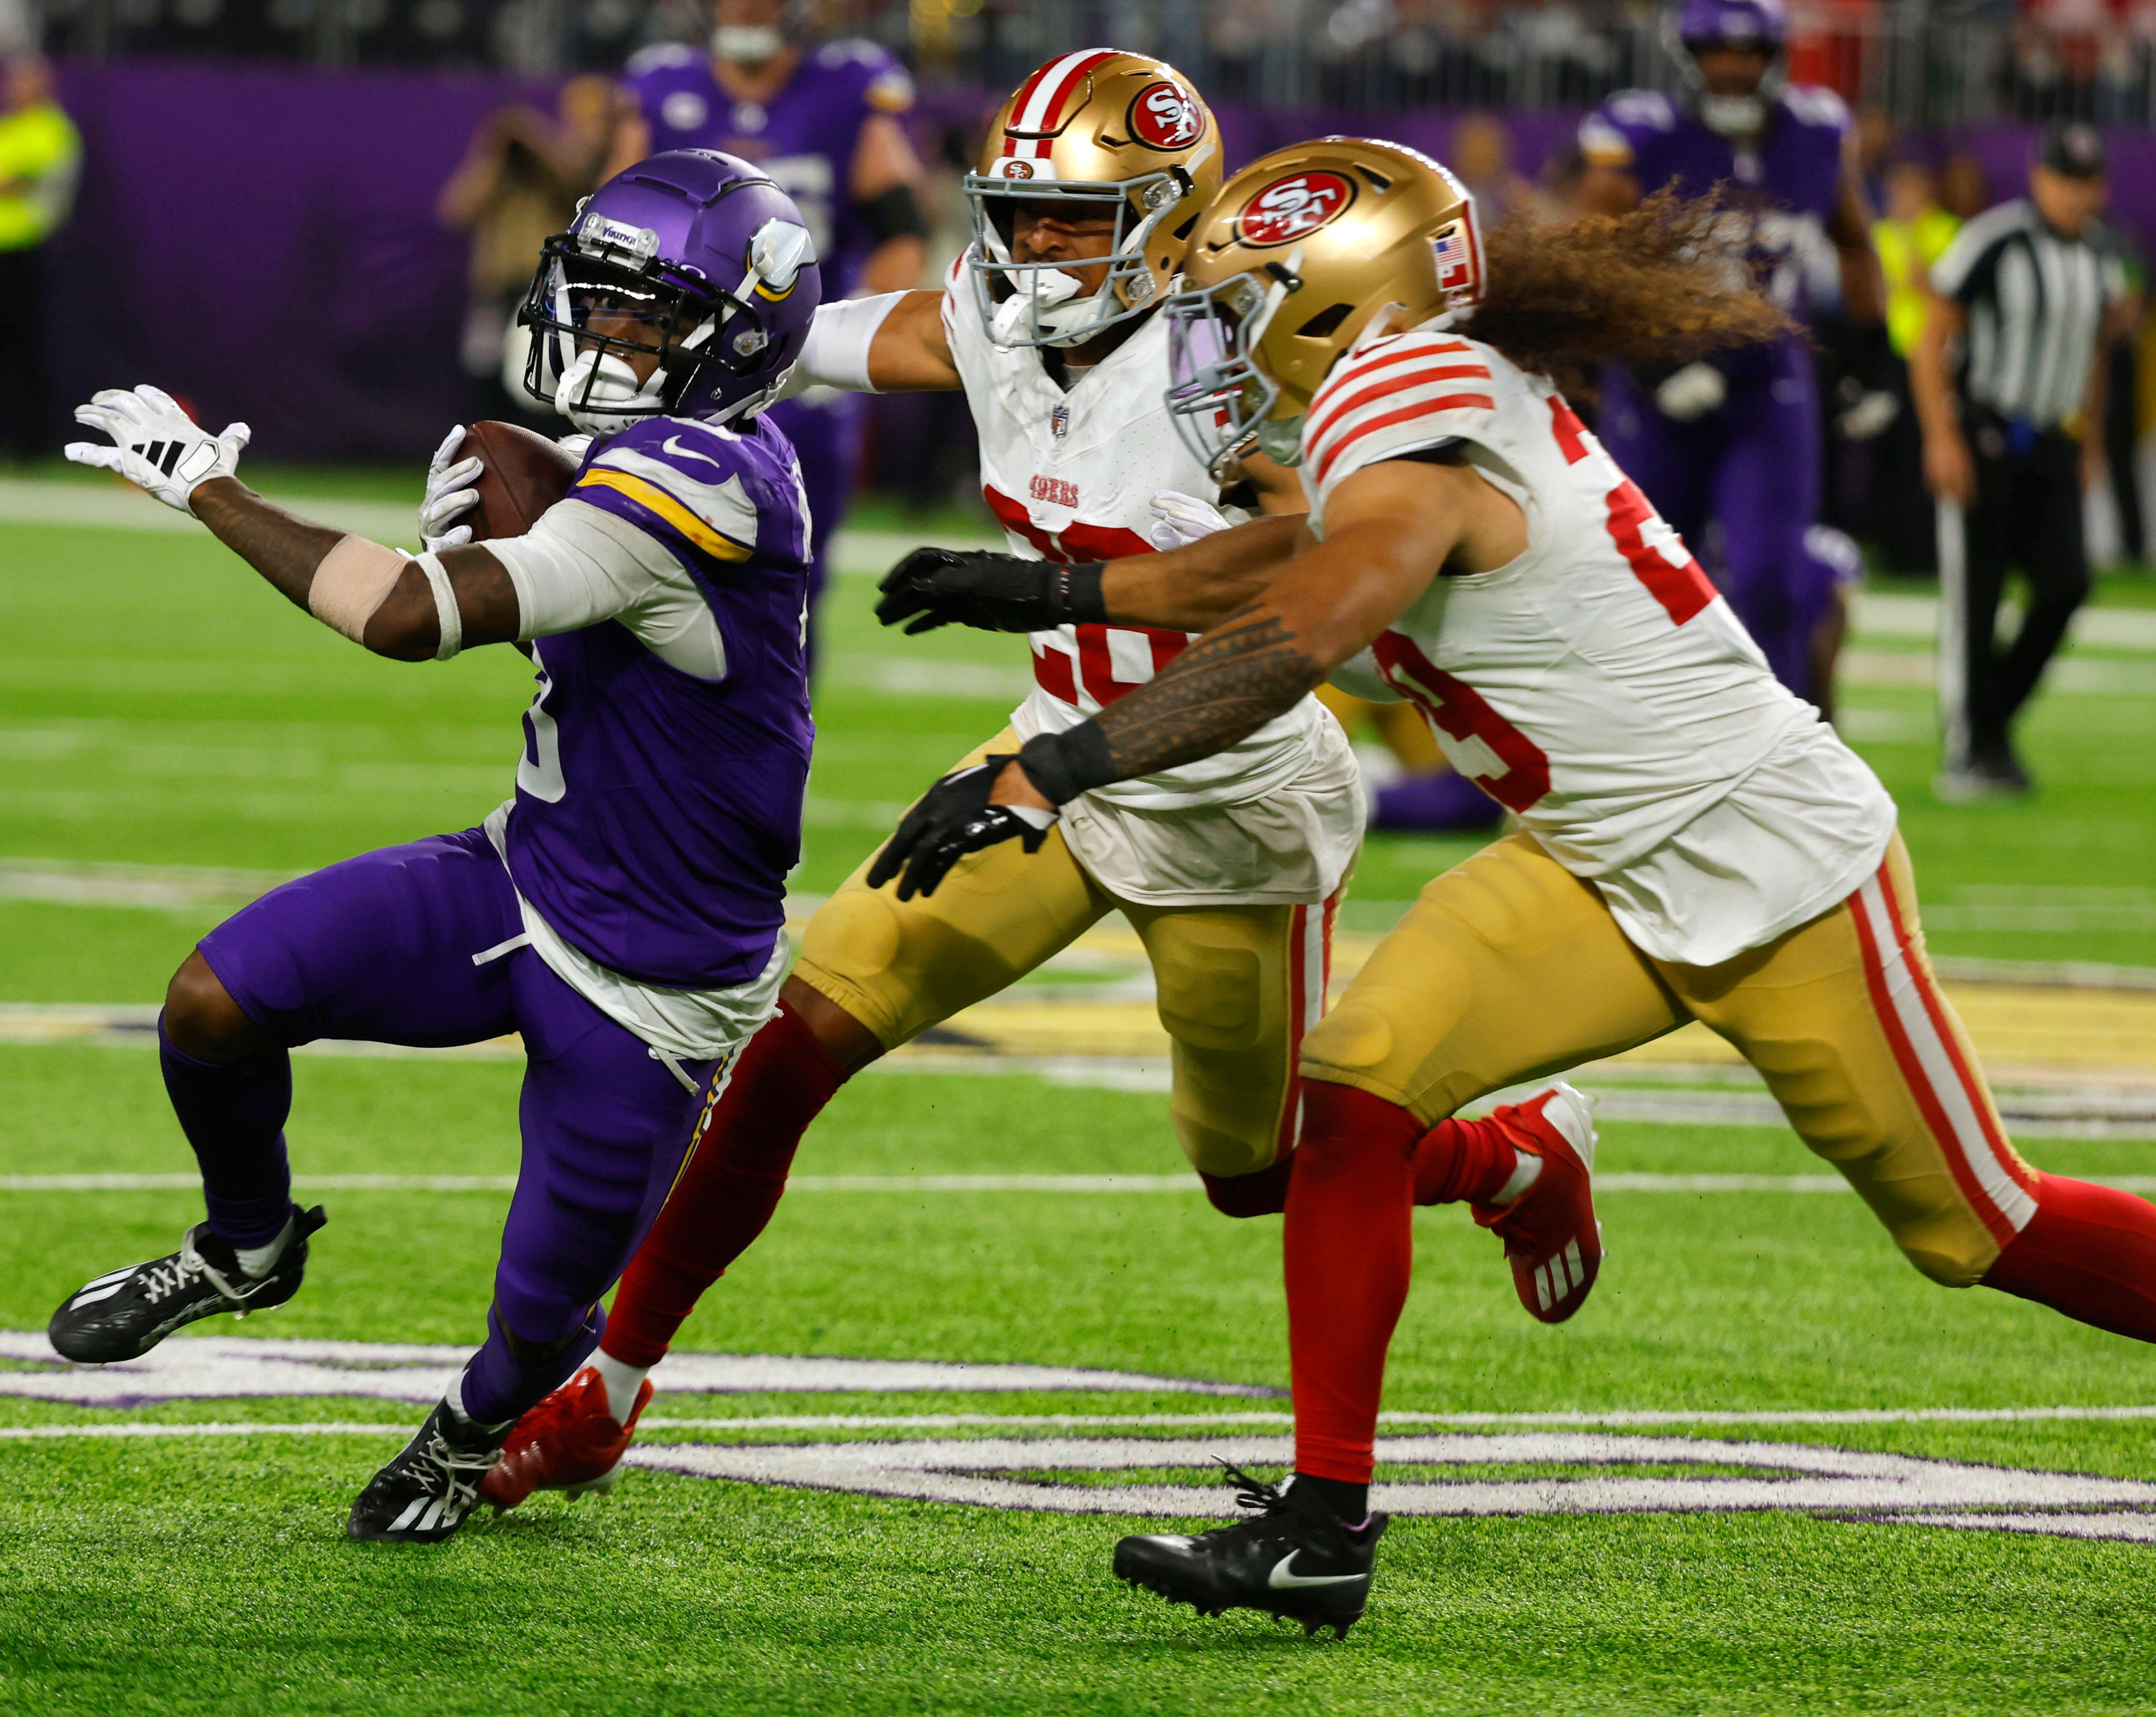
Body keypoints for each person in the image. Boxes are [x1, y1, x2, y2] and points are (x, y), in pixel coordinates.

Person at [868, 137, 2156, 1637]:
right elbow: (1296, 558)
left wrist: (1050, 767)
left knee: (1969, 1222)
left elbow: (1305, 619)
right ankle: (1320, 1524)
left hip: (1762, 856)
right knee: (1350, 1093)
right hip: (1590, 860)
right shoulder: (1401, 388)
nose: (1209, 328)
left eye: (1240, 296)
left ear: (1329, 302)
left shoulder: (1402, 414)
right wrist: (1059, 589)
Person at [473, 54, 1585, 1510]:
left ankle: (1511, 1159)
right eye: (1020, 214)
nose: (1037, 251)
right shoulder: (994, 318)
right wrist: (655, 350)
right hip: (1049, 755)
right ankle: (609, 1387)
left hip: (1227, 797)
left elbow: (1325, 579)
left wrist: (1077, 581)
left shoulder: (1251, 365)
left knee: (1252, 1170)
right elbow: (817, 337)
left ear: (1180, 220)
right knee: (796, 1043)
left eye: (1079, 221)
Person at [43, 152, 823, 1544]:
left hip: (654, 984)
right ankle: (246, 1242)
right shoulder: (658, 463)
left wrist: (210, 491)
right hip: (522, 872)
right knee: (212, 1002)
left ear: (736, 331)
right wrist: (513, 549)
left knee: (539, 1313)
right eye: (600, 300)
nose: (603, 334)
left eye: (645, 316)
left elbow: (404, 618)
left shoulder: (704, 480)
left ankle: (466, 1433)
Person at [1577, 0, 1884, 711]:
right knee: (1644, 579)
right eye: (1718, 50)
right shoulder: (1643, 136)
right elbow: (1586, 266)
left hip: (1765, 376)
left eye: (1749, 52)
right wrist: (1654, 363)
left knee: (1770, 574)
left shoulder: (1815, 132)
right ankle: (1642, 738)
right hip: (1656, 385)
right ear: (1689, 55)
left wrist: (1873, 357)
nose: (1734, 67)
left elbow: (1855, 241)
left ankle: (1783, 748)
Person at [612, 0, 931, 632]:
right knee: (645, 562)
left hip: (798, 368)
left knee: (787, 585)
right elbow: (613, 229)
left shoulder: (847, 85)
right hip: (678, 365)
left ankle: (771, 728)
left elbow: (904, 233)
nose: (746, 7)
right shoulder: (661, 85)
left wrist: (838, 341)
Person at [1910, 120, 2134, 799]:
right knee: (1976, 596)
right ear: (2040, 178)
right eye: (2066, 179)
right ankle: (1969, 750)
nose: (2076, 194)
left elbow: (2094, 353)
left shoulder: (2100, 256)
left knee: (2066, 583)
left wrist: (2090, 441)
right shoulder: (1997, 238)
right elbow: (1932, 337)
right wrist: (1941, 437)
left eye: (2087, 182)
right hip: (1985, 431)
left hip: (2053, 442)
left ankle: (1991, 720)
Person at [438, 74, 614, 427]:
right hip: (496, 290)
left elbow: (577, 185)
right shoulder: (501, 171)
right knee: (484, 378)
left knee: (534, 384)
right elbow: (455, 211)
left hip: (541, 289)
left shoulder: (575, 161)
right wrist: (495, 152)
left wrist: (532, 141)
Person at [0, 55, 80, 462]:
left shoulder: (50, 129)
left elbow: (25, 178)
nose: (12, 89)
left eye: (23, 82)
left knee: (25, 351)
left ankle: (29, 446)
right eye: (11, 81)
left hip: (25, 253)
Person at [1868, 157, 1961, 577]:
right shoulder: (1880, 234)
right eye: (1896, 193)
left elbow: (1954, 296)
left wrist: (1921, 279)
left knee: (1930, 449)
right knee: (1891, 454)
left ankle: (1931, 551)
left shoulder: (1947, 232)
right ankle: (1896, 551)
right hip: (1891, 355)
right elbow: (1869, 294)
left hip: (1938, 357)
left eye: (1911, 193)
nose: (1902, 201)